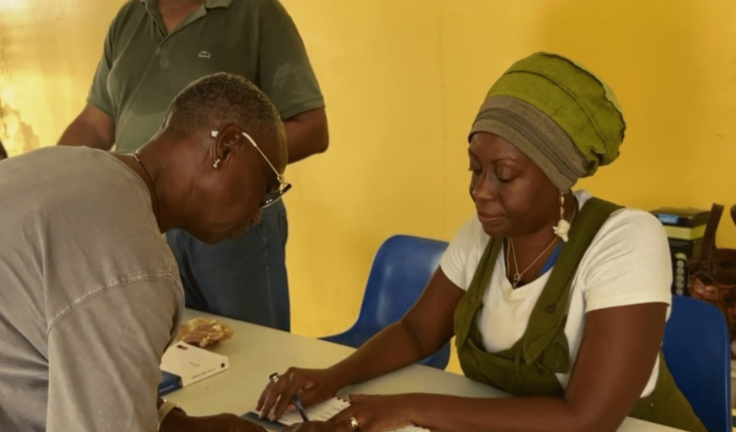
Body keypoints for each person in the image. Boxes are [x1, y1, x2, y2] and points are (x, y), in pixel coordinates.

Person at [257, 53, 707, 432]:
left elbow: (585, 419)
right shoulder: (487, 233)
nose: (480, 190)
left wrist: (409, 407)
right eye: (475, 168)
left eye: (504, 175)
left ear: (559, 178)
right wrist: (333, 378)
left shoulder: (625, 240)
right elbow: (418, 332)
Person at [0, 72, 290, 432]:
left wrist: (193, 428)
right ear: (226, 147)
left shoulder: (71, 168)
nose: (259, 214)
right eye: (265, 188)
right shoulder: (133, 263)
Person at [57, 0, 329, 331]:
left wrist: (227, 166)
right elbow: (96, 124)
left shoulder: (257, 13)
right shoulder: (129, 18)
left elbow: (312, 128)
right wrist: (49, 177)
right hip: (145, 220)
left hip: (229, 221)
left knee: (250, 349)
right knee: (181, 353)